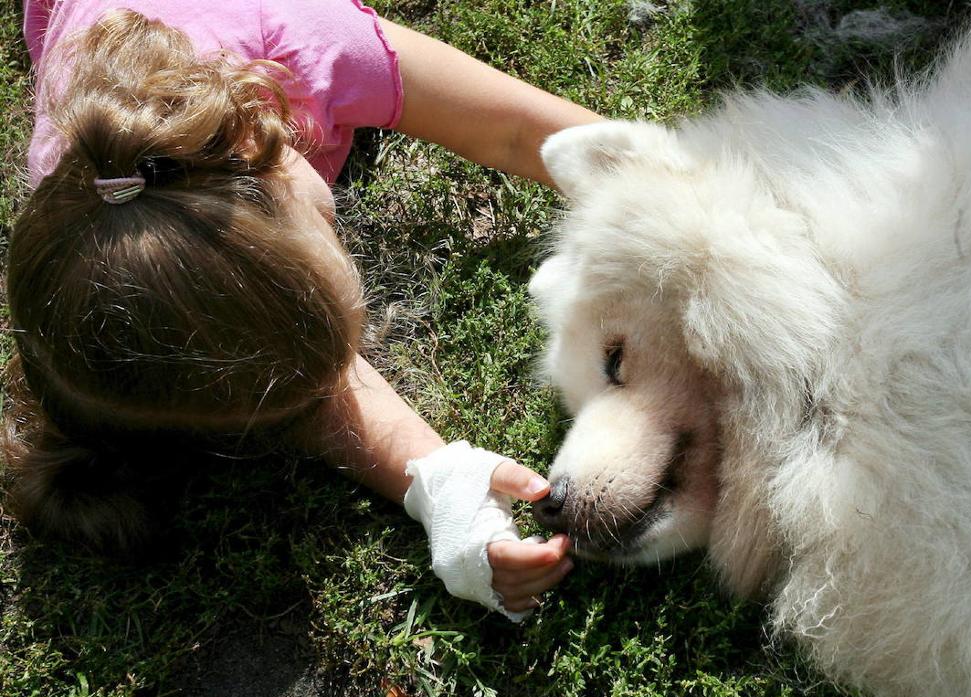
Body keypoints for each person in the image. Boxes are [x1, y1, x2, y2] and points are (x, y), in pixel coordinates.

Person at [8, 0, 601, 619]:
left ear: (254, 148)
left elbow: (519, 131)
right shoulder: (94, 225)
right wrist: (439, 482)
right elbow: (286, 371)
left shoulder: (303, 39)